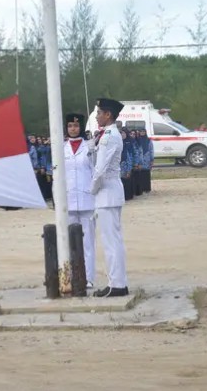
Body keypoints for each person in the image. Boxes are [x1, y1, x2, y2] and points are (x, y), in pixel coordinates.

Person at [90, 98, 128, 298]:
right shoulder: (108, 134)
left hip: (106, 192)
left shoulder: (109, 136)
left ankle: (117, 285)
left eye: (99, 113)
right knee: (114, 240)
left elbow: (100, 169)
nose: (97, 116)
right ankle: (119, 282)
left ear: (108, 115)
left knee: (110, 242)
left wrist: (92, 190)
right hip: (111, 192)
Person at [63, 113, 96, 288]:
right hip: (68, 200)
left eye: (76, 126)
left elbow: (95, 172)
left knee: (87, 242)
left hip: (86, 199)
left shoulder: (89, 147)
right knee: (69, 242)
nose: (73, 129)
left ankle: (88, 277)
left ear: (81, 127)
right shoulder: (62, 148)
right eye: (70, 126)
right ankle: (71, 276)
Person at [120, 128, 135, 201]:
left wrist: (130, 167)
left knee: (127, 179)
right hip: (120, 164)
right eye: (121, 133)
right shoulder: (118, 143)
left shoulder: (130, 142)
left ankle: (128, 196)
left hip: (127, 163)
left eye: (123, 133)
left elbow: (132, 154)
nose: (122, 135)